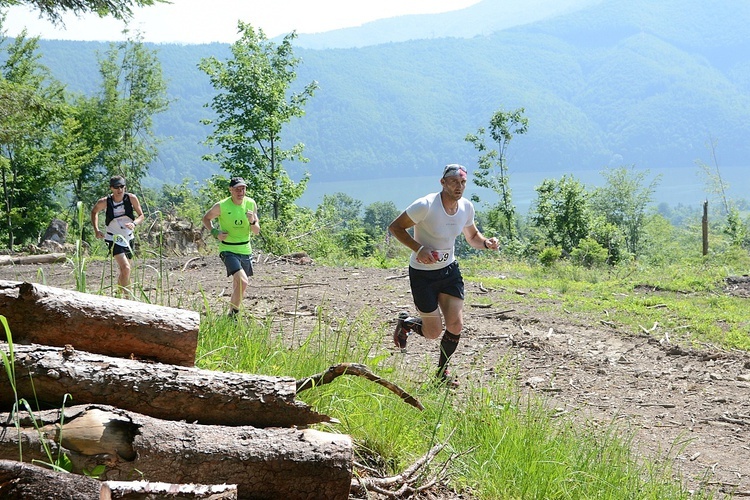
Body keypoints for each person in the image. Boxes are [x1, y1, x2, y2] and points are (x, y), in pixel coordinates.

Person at [388, 164, 499, 386]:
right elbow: (396, 227)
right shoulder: (426, 206)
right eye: (454, 182)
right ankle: (407, 323)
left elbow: (472, 235)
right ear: (443, 182)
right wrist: (419, 249)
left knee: (455, 325)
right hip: (423, 275)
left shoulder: (466, 207)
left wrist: (486, 243)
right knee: (433, 332)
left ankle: (441, 374)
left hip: (449, 271)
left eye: (463, 182)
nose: (459, 187)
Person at [201, 177, 260, 318]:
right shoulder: (221, 206)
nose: (241, 192)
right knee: (243, 282)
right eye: (237, 189)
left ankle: (230, 315)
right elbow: (206, 218)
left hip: (245, 250)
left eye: (243, 189)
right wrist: (215, 232)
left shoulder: (251, 204)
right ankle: (233, 315)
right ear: (231, 190)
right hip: (227, 250)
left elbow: (257, 231)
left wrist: (252, 221)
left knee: (237, 285)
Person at [91, 175, 145, 296]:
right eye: (116, 187)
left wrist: (134, 223)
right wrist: (96, 230)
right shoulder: (105, 201)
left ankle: (118, 294)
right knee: (125, 268)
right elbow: (94, 211)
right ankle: (127, 297)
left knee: (126, 270)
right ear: (111, 188)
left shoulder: (131, 198)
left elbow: (141, 215)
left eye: (122, 187)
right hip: (113, 238)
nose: (119, 190)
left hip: (128, 237)